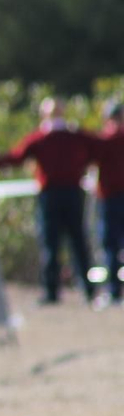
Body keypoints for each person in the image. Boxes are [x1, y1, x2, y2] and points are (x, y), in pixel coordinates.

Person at [0, 97, 95, 305]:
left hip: (54, 194)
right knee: (74, 241)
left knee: (55, 242)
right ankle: (84, 290)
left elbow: (15, 158)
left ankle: (56, 291)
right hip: (69, 194)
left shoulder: (43, 138)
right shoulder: (73, 136)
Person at [91, 100, 124, 306]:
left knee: (110, 245)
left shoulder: (104, 140)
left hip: (111, 198)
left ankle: (114, 291)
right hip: (112, 197)